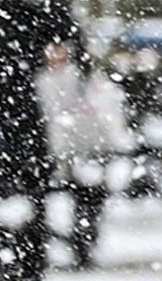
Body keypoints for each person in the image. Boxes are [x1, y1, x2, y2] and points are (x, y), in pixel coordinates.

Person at [36, 41, 129, 269]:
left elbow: (106, 108)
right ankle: (73, 243)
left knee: (87, 198)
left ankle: (82, 243)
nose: (56, 58)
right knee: (76, 199)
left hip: (87, 147)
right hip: (61, 150)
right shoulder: (44, 81)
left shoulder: (85, 79)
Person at [0, 0, 53, 279]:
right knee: (31, 194)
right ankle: (30, 258)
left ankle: (24, 256)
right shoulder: (27, 14)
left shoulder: (24, 16)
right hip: (23, 120)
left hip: (20, 120)